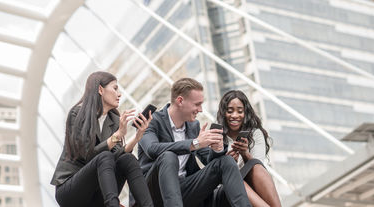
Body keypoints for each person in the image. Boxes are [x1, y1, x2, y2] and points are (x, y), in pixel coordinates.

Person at [138, 78, 252, 207]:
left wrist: (216, 149)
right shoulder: (151, 120)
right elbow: (152, 149)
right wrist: (196, 143)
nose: (201, 109)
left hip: (183, 190)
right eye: (197, 104)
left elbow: (207, 160)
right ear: (180, 101)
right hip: (153, 192)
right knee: (168, 156)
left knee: (226, 162)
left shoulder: (193, 125)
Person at [51, 71, 154, 207]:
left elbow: (117, 156)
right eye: (115, 88)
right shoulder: (77, 114)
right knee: (105, 157)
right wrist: (117, 135)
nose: (119, 94)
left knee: (127, 159)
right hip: (71, 191)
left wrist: (136, 137)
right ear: (100, 89)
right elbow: (87, 156)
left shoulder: (114, 120)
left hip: (97, 192)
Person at [216, 90, 281, 207]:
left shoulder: (255, 134)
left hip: (252, 189)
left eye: (240, 111)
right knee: (234, 176)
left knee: (255, 164)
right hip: (225, 194)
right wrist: (228, 163)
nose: (235, 115)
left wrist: (245, 154)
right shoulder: (216, 137)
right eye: (230, 111)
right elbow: (209, 177)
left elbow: (258, 170)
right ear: (223, 113)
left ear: (245, 113)